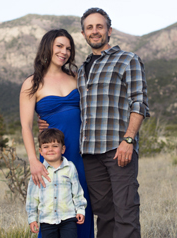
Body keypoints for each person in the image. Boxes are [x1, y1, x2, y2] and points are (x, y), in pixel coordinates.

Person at [39, 8, 150, 238]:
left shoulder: (127, 60)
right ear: (83, 33)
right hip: (88, 154)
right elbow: (71, 107)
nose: (95, 31)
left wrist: (128, 139)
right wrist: (48, 121)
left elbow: (139, 102)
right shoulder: (81, 70)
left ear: (109, 30)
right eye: (89, 27)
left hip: (118, 149)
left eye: (100, 26)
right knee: (104, 213)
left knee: (126, 210)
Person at [20, 29, 94, 238]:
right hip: (53, 157)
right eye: (59, 46)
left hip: (81, 155)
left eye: (68, 48)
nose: (64, 52)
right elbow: (25, 126)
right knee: (52, 210)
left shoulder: (76, 76)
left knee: (81, 209)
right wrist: (34, 161)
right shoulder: (32, 83)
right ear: (48, 46)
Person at [26, 128, 86, 238]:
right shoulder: (38, 171)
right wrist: (32, 218)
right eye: (46, 147)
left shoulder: (70, 167)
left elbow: (77, 192)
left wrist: (80, 209)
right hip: (47, 221)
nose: (50, 150)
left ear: (63, 149)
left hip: (68, 218)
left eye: (55, 146)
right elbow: (32, 197)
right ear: (40, 151)